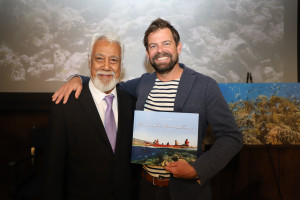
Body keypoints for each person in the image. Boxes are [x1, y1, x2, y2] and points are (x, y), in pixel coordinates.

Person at [52, 18, 243, 200]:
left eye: (166, 43)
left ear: (178, 47)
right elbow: (108, 79)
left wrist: (198, 169)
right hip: (146, 190)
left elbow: (232, 136)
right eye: (153, 46)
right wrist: (78, 78)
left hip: (187, 192)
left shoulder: (205, 85)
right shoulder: (142, 84)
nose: (160, 50)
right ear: (148, 53)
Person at [44, 33, 136, 200]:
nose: (106, 66)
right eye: (99, 58)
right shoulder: (65, 106)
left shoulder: (131, 103)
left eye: (113, 60)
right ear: (89, 61)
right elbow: (53, 172)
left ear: (121, 66)